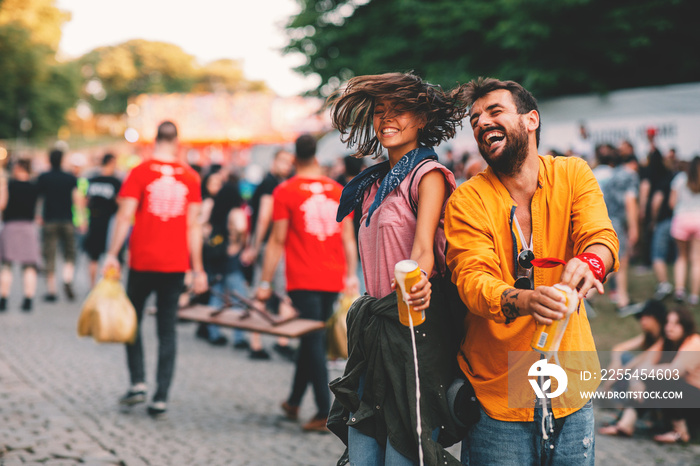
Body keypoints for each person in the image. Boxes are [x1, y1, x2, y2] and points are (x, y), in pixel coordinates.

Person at [444, 77, 619, 465]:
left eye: (494, 111)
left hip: (569, 380)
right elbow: (472, 279)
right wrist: (526, 300)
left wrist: (589, 263)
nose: (482, 123)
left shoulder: (572, 174)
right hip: (500, 390)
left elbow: (601, 236)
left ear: (531, 120)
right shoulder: (467, 199)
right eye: (474, 119)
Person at [328, 72, 469, 465]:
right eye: (379, 111)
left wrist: (419, 279)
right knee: (361, 454)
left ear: (421, 119)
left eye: (399, 110)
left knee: (403, 453)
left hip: (414, 331)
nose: (387, 119)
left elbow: (424, 248)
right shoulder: (371, 184)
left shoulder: (428, 176)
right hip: (372, 333)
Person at [103, 121, 207, 418]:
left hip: (142, 261)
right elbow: (193, 227)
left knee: (131, 321)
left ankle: (138, 382)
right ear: (177, 141)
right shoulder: (190, 177)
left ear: (154, 140)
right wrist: (197, 269)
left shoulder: (140, 172)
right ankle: (160, 396)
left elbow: (124, 217)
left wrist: (112, 254)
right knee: (167, 330)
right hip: (175, 264)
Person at [254, 134, 358, 432]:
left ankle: (324, 412)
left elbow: (276, 240)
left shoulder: (285, 190)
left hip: (303, 277)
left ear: (294, 157)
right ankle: (294, 402)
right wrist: (350, 274)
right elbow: (348, 237)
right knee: (312, 339)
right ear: (316, 156)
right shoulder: (338, 190)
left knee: (312, 341)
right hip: (334, 274)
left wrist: (264, 282)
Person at [600, 306, 700, 442]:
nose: (670, 327)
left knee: (661, 378)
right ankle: (625, 424)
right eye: (668, 323)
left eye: (676, 324)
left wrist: (640, 374)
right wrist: (636, 380)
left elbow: (674, 371)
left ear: (685, 326)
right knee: (650, 380)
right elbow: (645, 363)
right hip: (682, 399)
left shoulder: (694, 342)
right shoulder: (666, 342)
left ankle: (681, 432)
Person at [241, 148, 296, 359]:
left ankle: (270, 342)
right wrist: (254, 247)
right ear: (274, 161)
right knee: (268, 293)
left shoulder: (275, 183)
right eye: (283, 160)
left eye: (289, 162)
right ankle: (268, 343)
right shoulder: (270, 184)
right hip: (269, 246)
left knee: (270, 292)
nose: (286, 165)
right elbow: (264, 217)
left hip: (271, 245)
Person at [36, 148, 85, 302]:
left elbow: (39, 199)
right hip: (67, 220)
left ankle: (52, 290)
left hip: (49, 220)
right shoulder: (70, 177)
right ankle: (67, 279)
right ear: (62, 160)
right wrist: (82, 219)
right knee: (70, 253)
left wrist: (38, 216)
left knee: (49, 254)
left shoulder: (44, 177)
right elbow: (77, 199)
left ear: (49, 160)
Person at [0, 159, 41, 312]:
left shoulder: (9, 185)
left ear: (17, 168)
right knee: (29, 265)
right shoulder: (35, 186)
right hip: (28, 227)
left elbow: (1, 204)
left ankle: (3, 299)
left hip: (10, 226)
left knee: (7, 265)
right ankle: (28, 299)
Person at [83, 153, 121, 288]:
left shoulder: (93, 179)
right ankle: (106, 287)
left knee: (93, 257)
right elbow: (120, 203)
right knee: (110, 256)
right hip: (110, 222)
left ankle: (92, 286)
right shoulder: (115, 182)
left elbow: (85, 200)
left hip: (94, 220)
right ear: (111, 162)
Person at [669, 155, 700, 305]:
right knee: (697, 260)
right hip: (698, 219)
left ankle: (680, 291)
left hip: (682, 219)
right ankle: (694, 295)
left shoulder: (680, 178)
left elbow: (672, 202)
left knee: (681, 257)